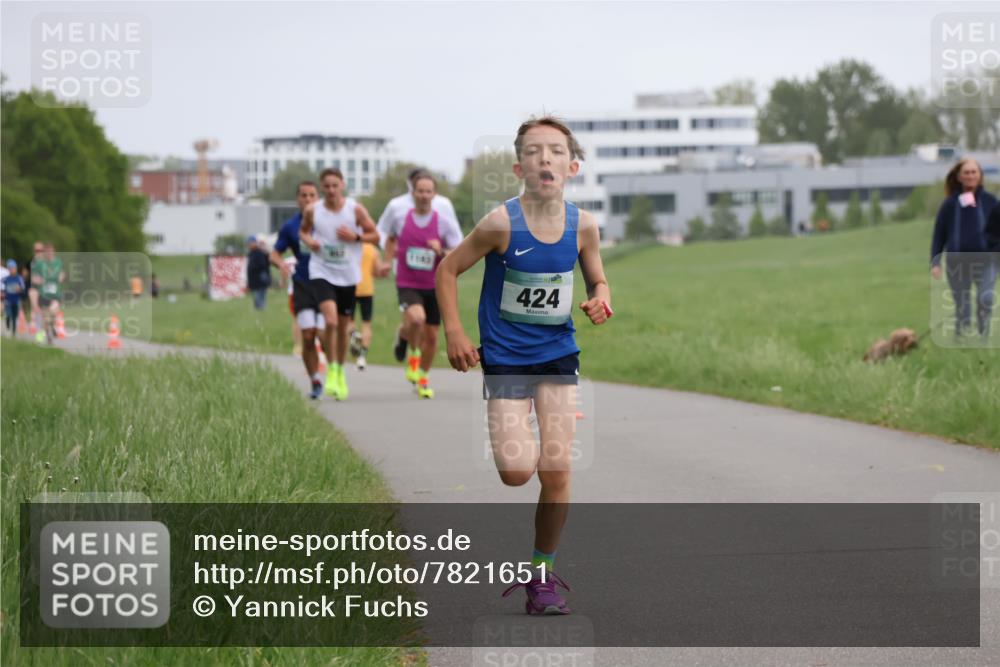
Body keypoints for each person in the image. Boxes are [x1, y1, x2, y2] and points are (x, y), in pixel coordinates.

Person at [437, 117, 612, 614]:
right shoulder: (500, 224)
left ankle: (542, 579)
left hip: (557, 354)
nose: (545, 159)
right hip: (507, 358)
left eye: (556, 151)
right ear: (519, 166)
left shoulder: (584, 226)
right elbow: (447, 270)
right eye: (533, 152)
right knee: (516, 472)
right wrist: (454, 332)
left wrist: (601, 298)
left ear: (573, 166)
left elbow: (598, 280)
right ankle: (517, 421)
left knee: (555, 470)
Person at [300, 168, 380, 400]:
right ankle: (332, 371)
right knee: (331, 320)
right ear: (322, 188)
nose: (331, 190)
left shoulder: (354, 209)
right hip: (321, 271)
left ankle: (338, 370)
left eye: (335, 185)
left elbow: (375, 235)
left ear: (342, 185)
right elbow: (303, 232)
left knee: (344, 326)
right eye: (327, 186)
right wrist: (310, 241)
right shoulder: (313, 210)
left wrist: (356, 238)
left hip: (347, 274)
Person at [380, 173, 463, 398]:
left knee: (433, 336)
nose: (424, 196)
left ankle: (423, 378)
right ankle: (414, 357)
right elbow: (389, 238)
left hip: (435, 284)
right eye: (420, 191)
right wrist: (387, 261)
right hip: (408, 281)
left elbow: (458, 252)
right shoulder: (400, 217)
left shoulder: (443, 222)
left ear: (434, 194)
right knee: (417, 319)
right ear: (413, 193)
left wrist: (440, 250)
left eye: (429, 191)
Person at [270, 180, 332, 399]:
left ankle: (334, 373)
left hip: (327, 283)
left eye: (312, 195)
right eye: (303, 195)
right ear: (297, 199)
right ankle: (315, 380)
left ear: (318, 198)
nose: (307, 199)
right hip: (303, 284)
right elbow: (274, 253)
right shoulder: (290, 226)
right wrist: (282, 265)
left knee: (324, 335)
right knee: (307, 335)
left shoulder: (329, 221)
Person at [931, 159, 999, 339]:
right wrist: (935, 262)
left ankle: (983, 335)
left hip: (987, 261)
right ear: (959, 177)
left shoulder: (991, 202)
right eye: (966, 172)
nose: (970, 176)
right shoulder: (949, 205)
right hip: (957, 261)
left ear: (980, 176)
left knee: (985, 297)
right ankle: (961, 335)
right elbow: (939, 234)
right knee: (963, 303)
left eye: (974, 172)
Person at [349, 241, 381, 371]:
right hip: (367, 289)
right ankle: (362, 357)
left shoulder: (350, 247)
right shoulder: (372, 250)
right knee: (366, 323)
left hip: (350, 286)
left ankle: (354, 334)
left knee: (348, 321)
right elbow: (377, 271)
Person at [31, 243, 64, 344]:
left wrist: (61, 277)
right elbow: (33, 278)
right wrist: (38, 280)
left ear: (54, 252)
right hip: (44, 294)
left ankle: (53, 326)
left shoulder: (58, 262)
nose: (49, 254)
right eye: (47, 252)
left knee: (53, 313)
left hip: (55, 294)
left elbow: (62, 273)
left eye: (51, 251)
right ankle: (49, 336)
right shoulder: (40, 264)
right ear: (45, 253)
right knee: (45, 318)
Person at [246, 236, 271, 311]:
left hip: (260, 277)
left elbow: (264, 264)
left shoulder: (260, 252)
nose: (249, 245)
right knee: (256, 295)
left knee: (260, 294)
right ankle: (258, 309)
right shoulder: (251, 253)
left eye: (250, 243)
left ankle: (261, 309)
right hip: (254, 278)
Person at [3, 259, 26, 337]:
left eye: (13, 268)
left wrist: (20, 290)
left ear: (15, 268)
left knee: (14, 316)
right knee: (9, 315)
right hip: (8, 300)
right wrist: (2, 293)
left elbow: (23, 289)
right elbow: (2, 288)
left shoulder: (19, 278)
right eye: (9, 268)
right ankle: (8, 326)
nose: (11, 270)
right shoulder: (6, 279)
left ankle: (13, 332)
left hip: (16, 300)